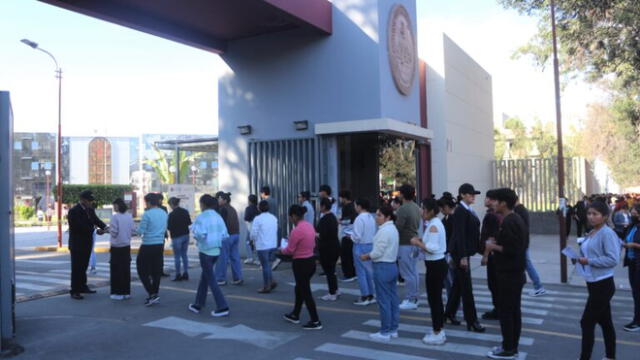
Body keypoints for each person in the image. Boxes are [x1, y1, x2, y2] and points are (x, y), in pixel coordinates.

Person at [485, 188, 528, 360]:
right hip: (513, 273)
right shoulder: (513, 219)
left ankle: (508, 348)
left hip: (509, 274)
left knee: (507, 312)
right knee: (513, 311)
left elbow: (513, 249)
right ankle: (510, 346)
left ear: (503, 203)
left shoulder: (511, 221)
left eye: (495, 201)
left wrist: (492, 246)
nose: (492, 203)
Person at [576, 201, 620, 360]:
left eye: (595, 214)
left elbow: (613, 259)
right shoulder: (592, 231)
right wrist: (579, 259)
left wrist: (589, 261)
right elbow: (590, 253)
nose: (591, 217)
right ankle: (610, 356)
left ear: (605, 216)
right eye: (589, 214)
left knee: (586, 322)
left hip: (603, 284)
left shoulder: (607, 233)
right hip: (593, 283)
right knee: (606, 322)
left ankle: (584, 357)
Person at [444, 183, 485, 333]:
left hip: (465, 253)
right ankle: (472, 321)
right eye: (470, 194)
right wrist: (462, 257)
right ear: (462, 195)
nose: (473, 196)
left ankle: (448, 314)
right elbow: (459, 235)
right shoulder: (461, 211)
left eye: (474, 194)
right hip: (461, 254)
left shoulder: (467, 210)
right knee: (467, 289)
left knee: (458, 287)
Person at [410, 198, 448, 345]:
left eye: (423, 208)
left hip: (436, 265)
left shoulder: (433, 225)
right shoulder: (434, 223)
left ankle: (438, 331)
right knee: (435, 299)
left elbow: (431, 247)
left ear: (431, 211)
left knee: (435, 300)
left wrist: (417, 242)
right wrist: (421, 239)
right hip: (436, 264)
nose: (421, 211)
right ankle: (437, 329)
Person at [360, 205, 400, 341]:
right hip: (392, 266)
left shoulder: (384, 231)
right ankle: (393, 328)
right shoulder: (392, 228)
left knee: (384, 301)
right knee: (392, 299)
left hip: (383, 266)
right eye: (376, 214)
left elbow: (378, 252)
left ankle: (385, 331)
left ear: (387, 217)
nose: (376, 217)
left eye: (379, 215)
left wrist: (367, 256)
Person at [281, 204, 322, 330]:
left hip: (301, 263)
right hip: (310, 261)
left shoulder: (297, 230)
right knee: (299, 289)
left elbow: (290, 250)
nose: (289, 219)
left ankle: (315, 321)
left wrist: (281, 249)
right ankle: (295, 314)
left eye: (290, 217)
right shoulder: (309, 226)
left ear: (293, 216)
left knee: (305, 291)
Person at [189, 194, 230, 317]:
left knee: (211, 280)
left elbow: (200, 234)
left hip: (205, 251)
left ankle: (222, 306)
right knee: (205, 278)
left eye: (200, 203)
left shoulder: (201, 217)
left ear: (203, 204)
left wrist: (194, 232)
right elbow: (225, 235)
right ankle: (198, 304)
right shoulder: (218, 217)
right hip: (216, 251)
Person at [67, 190, 108, 300]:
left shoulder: (90, 209)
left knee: (84, 266)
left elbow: (96, 220)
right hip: (77, 244)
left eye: (91, 201)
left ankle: (83, 286)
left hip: (87, 243)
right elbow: (77, 227)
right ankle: (74, 290)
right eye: (89, 200)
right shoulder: (73, 211)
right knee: (76, 268)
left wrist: (105, 227)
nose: (90, 202)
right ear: (82, 200)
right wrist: (95, 230)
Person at [136, 193, 168, 306]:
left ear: (149, 202)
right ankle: (154, 293)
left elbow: (140, 231)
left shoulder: (147, 214)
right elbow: (165, 228)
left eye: (146, 202)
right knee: (156, 271)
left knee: (141, 269)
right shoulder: (164, 213)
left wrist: (133, 230)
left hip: (148, 244)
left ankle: (152, 293)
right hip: (159, 244)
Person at [395, 184, 422, 310]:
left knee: (407, 273)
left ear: (403, 194)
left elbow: (398, 228)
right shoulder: (416, 207)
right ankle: (414, 297)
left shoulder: (403, 209)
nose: (398, 194)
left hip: (405, 243)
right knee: (413, 272)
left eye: (399, 192)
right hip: (414, 242)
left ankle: (411, 299)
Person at [515, 199, 547, 297]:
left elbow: (520, 228)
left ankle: (538, 287)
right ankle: (538, 286)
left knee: (527, 264)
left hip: (522, 243)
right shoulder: (521, 209)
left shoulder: (519, 210)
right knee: (525, 264)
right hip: (523, 242)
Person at [480, 190, 501, 321]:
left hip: (493, 255)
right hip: (495, 254)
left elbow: (491, 238)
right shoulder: (495, 215)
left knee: (493, 283)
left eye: (487, 198)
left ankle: (498, 310)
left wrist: (486, 255)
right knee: (494, 283)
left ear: (492, 200)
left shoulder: (492, 216)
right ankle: (498, 308)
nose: (485, 200)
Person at [108, 198, 135, 300]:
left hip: (116, 247)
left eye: (114, 205)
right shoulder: (129, 216)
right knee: (125, 270)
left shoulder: (115, 217)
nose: (113, 207)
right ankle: (126, 292)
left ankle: (117, 293)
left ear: (117, 206)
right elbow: (133, 231)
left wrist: (108, 230)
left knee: (116, 270)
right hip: (126, 246)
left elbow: (114, 232)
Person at [352, 198, 377, 306]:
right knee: (369, 272)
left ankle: (364, 296)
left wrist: (350, 236)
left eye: (355, 205)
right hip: (370, 245)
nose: (355, 207)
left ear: (360, 206)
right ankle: (371, 295)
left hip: (360, 246)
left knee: (361, 273)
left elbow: (357, 237)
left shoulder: (359, 219)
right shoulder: (371, 217)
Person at [215, 192, 243, 286]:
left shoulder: (223, 209)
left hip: (227, 236)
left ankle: (220, 278)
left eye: (219, 199)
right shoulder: (232, 209)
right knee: (235, 257)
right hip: (236, 234)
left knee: (222, 258)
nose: (218, 200)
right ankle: (238, 277)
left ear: (225, 200)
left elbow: (222, 224)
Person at [250, 200, 279, 293]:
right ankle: (272, 281)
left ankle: (267, 286)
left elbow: (253, 233)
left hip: (262, 245)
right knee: (268, 266)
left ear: (259, 208)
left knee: (265, 266)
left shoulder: (258, 219)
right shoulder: (273, 218)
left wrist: (252, 240)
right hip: (273, 244)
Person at [438, 192, 459, 319]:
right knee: (447, 280)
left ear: (446, 207)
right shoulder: (445, 218)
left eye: (441, 207)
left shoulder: (452, 218)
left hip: (450, 253)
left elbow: (453, 237)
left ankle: (454, 304)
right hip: (445, 253)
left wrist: (450, 253)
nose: (440, 210)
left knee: (451, 281)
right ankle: (452, 302)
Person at [317, 198, 341, 301]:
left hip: (327, 248)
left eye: (319, 205)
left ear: (323, 206)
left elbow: (323, 235)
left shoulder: (324, 219)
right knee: (332, 270)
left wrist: (316, 234)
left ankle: (332, 293)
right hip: (335, 246)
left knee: (329, 271)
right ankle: (335, 289)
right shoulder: (333, 217)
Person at [623, 204, 640, 332]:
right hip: (632, 262)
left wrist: (634, 244)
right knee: (635, 292)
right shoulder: (632, 226)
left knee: (638, 293)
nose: (633, 216)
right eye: (632, 213)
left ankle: (637, 321)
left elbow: (634, 243)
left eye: (636, 214)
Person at [167, 197, 192, 281]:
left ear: (172, 204)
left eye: (169, 204)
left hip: (176, 237)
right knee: (184, 255)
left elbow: (169, 227)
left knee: (177, 256)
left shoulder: (171, 215)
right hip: (185, 235)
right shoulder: (185, 212)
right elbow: (189, 223)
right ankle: (186, 273)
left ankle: (178, 274)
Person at [339, 190, 357, 282]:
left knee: (345, 255)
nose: (340, 199)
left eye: (341, 197)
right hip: (352, 233)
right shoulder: (354, 206)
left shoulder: (346, 207)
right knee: (350, 255)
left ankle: (348, 274)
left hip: (347, 234)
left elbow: (349, 220)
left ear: (344, 198)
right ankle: (352, 273)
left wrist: (340, 221)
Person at [243, 194, 260, 265]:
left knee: (248, 242)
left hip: (250, 227)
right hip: (257, 228)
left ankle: (250, 258)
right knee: (256, 243)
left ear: (249, 201)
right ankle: (257, 259)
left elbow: (246, 218)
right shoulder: (258, 208)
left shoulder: (248, 208)